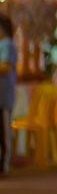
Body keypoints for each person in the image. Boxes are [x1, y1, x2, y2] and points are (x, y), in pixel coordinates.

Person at [0, 15, 16, 176]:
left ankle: (4, 165)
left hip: (4, 97)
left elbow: (5, 68)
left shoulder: (8, 45)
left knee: (4, 133)